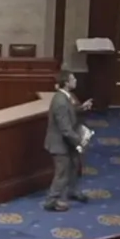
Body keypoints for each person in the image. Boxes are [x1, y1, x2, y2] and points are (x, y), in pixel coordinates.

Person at [44, 70, 93, 212]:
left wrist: (81, 108)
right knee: (62, 173)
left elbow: (70, 111)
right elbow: (65, 129)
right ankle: (51, 201)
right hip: (60, 144)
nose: (76, 80)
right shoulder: (60, 102)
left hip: (67, 142)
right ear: (66, 83)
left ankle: (72, 191)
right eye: (73, 78)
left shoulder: (67, 96)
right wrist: (80, 141)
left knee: (74, 166)